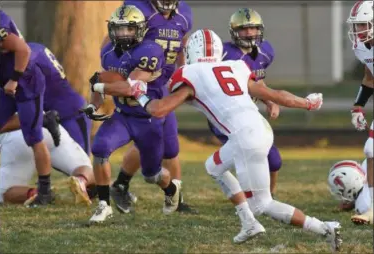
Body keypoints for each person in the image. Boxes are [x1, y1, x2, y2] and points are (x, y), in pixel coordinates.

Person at [128, 29, 342, 251]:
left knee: (263, 205)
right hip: (261, 129)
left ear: (191, 51)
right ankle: (247, 222)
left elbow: (159, 110)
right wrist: (306, 103)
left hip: (244, 139)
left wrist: (139, 95)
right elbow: (275, 94)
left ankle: (325, 228)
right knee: (213, 166)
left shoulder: (190, 74)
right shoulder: (235, 67)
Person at [84, 5, 181, 223]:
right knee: (99, 148)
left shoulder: (150, 51)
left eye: (128, 29)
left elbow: (130, 87)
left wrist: (99, 87)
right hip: (123, 115)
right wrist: (93, 105)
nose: (123, 34)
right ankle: (103, 204)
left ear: (140, 29)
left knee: (152, 175)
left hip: (148, 120)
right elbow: (102, 80)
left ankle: (171, 190)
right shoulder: (109, 51)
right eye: (118, 29)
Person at [105, 0, 195, 213]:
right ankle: (174, 199)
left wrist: (183, 73)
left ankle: (123, 185)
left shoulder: (184, 13)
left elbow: (182, 43)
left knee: (168, 145)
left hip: (161, 85)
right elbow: (112, 41)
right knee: (155, 140)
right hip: (140, 85)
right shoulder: (139, 8)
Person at [208, 8, 282, 195]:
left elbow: (256, 80)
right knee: (247, 154)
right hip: (225, 116)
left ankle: (269, 195)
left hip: (248, 113)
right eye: (243, 29)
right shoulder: (223, 54)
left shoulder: (265, 51)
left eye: (253, 28)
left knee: (274, 160)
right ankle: (247, 195)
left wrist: (269, 101)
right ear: (234, 32)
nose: (249, 33)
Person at [0, 9, 53, 206]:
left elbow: (23, 50)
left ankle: (45, 191)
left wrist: (14, 80)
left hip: (24, 82)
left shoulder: (0, 24)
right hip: (5, 82)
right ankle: (45, 119)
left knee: (33, 137)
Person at [0, 111, 95, 206]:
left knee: (3, 192)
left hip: (16, 134)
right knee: (86, 168)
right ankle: (81, 180)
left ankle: (38, 193)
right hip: (48, 123)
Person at [346, 0, 373, 225]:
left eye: (363, 25)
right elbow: (370, 77)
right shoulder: (362, 47)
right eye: (357, 25)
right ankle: (370, 205)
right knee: (361, 205)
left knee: (371, 147)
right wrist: (358, 105)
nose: (358, 30)